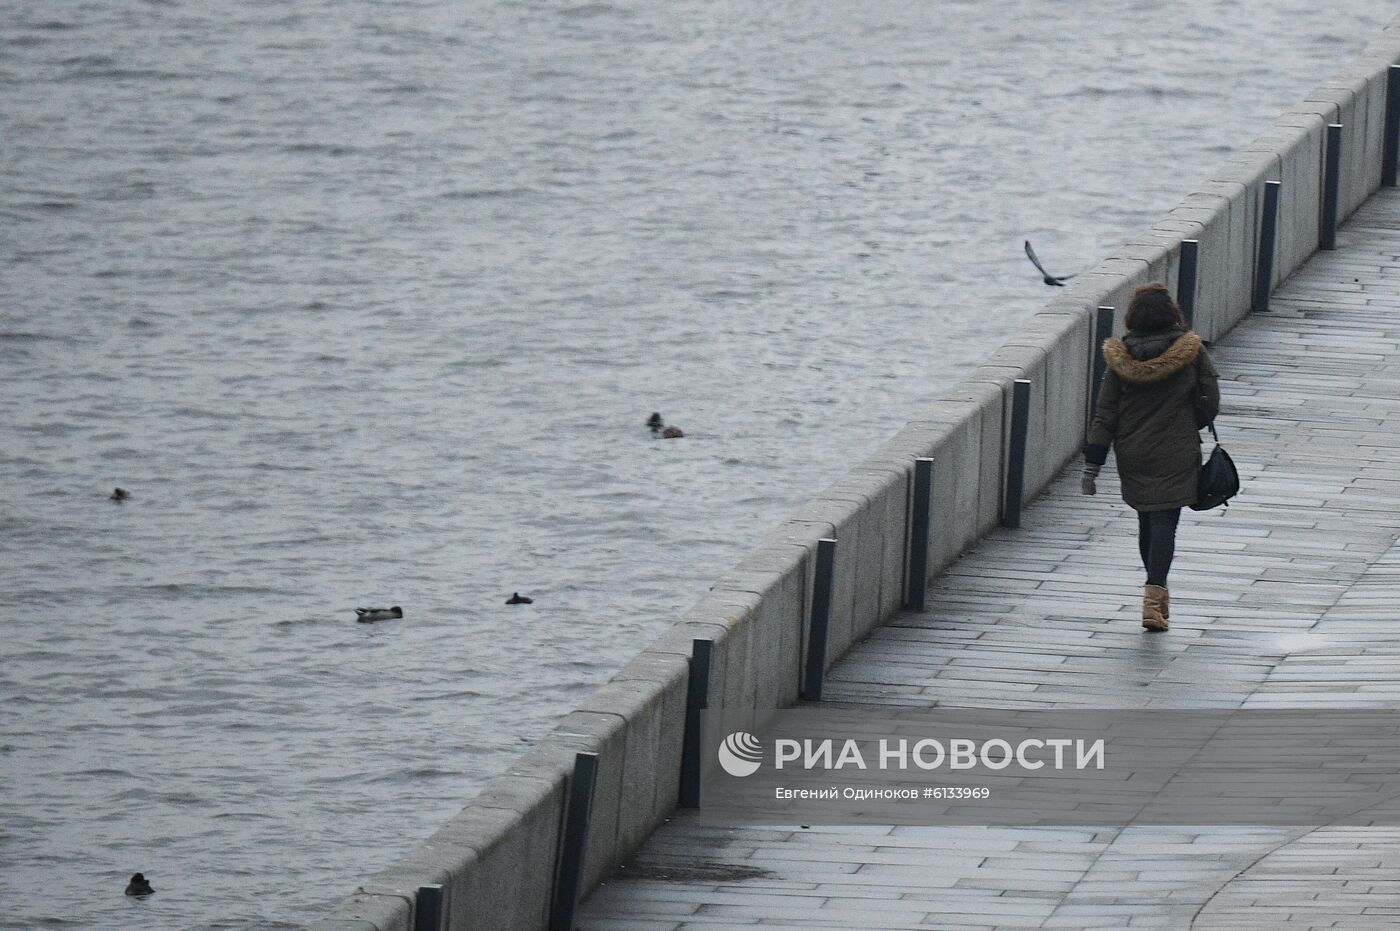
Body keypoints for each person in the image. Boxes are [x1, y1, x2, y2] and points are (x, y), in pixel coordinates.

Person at [1081, 282, 1219, 631]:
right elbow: (1211, 401)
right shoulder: (1192, 351)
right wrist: (1191, 422)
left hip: (1134, 451)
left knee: (1147, 519)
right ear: (1172, 314)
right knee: (1165, 521)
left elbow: (1105, 413)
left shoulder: (1119, 359)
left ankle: (1155, 595)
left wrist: (1092, 465)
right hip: (1177, 449)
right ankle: (1153, 598)